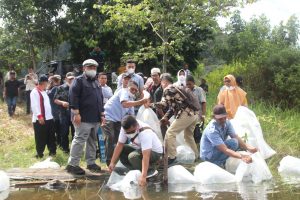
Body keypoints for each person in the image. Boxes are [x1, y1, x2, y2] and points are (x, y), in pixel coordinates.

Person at [66, 59, 105, 175]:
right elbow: (73, 98)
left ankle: (91, 162)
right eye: (90, 67)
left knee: (92, 140)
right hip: (82, 118)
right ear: (84, 68)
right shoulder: (78, 81)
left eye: (94, 67)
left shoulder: (96, 82)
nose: (92, 69)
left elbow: (100, 99)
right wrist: (76, 113)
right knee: (79, 139)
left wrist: (102, 114)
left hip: (95, 118)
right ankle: (72, 164)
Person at [154, 73, 199, 165]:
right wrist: (165, 117)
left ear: (164, 82)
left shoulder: (168, 89)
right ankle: (196, 156)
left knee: (170, 133)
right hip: (194, 114)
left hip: (186, 114)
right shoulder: (177, 87)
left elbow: (163, 104)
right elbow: (172, 107)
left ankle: (172, 156)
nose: (161, 85)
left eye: (161, 82)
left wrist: (150, 104)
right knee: (188, 136)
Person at [103, 80, 149, 166]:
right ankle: (109, 162)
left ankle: (114, 161)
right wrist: (140, 102)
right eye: (132, 89)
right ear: (128, 87)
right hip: (108, 117)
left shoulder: (131, 99)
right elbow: (124, 104)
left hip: (118, 120)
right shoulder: (124, 91)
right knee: (110, 138)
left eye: (136, 90)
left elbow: (131, 116)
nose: (134, 91)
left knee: (117, 141)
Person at [108, 115, 163, 187]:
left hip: (155, 153)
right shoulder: (124, 127)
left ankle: (150, 171)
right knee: (121, 149)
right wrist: (112, 163)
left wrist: (143, 176)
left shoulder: (145, 133)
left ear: (136, 125)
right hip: (139, 149)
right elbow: (120, 145)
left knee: (132, 156)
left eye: (132, 131)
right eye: (127, 133)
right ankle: (135, 170)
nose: (130, 134)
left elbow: (146, 156)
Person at [30, 75, 56, 158]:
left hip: (49, 118)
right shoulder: (34, 92)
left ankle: (52, 152)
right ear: (43, 83)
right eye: (46, 83)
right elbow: (34, 105)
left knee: (51, 136)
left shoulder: (44, 91)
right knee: (40, 137)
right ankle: (40, 153)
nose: (47, 85)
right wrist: (39, 116)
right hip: (40, 118)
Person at [54, 72, 75, 153]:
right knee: (64, 132)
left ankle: (74, 150)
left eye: (72, 78)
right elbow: (55, 100)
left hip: (74, 113)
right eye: (69, 79)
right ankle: (65, 149)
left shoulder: (77, 88)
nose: (71, 80)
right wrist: (62, 103)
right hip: (64, 114)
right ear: (66, 79)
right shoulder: (60, 88)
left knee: (75, 133)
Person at [47, 75, 61, 147]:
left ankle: (58, 142)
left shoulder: (53, 88)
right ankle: (58, 142)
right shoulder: (54, 88)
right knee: (57, 128)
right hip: (55, 111)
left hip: (55, 111)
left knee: (57, 128)